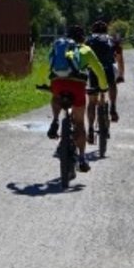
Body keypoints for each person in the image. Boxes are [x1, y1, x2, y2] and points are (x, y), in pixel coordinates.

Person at [46, 23, 108, 172]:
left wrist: (44, 83)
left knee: (55, 96)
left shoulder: (59, 46)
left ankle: (55, 120)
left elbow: (48, 65)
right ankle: (81, 159)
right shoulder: (85, 50)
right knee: (79, 123)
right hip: (77, 86)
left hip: (58, 83)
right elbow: (98, 69)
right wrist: (103, 87)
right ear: (82, 38)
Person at [85, 19, 123, 123]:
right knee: (112, 84)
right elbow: (120, 59)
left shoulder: (88, 40)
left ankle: (91, 130)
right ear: (106, 30)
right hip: (108, 70)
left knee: (92, 101)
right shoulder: (111, 39)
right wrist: (121, 75)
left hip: (94, 72)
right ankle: (113, 107)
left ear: (93, 31)